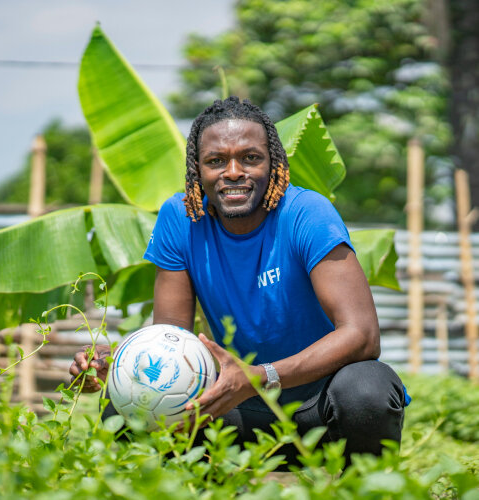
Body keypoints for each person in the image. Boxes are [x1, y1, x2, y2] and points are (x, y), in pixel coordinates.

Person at [70, 96, 407, 465]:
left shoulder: (307, 214)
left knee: (367, 388)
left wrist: (261, 376)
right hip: (234, 408)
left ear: (273, 163)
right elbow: (169, 341)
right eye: (216, 161)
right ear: (197, 169)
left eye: (250, 158)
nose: (233, 171)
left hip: (323, 410)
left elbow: (362, 335)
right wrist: (113, 364)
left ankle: (364, 488)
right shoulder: (180, 219)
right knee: (128, 404)